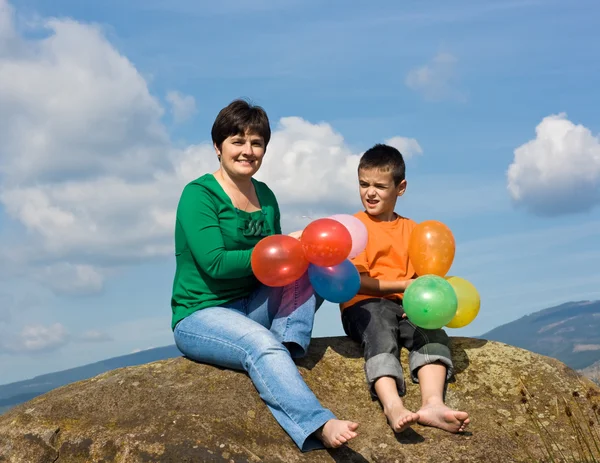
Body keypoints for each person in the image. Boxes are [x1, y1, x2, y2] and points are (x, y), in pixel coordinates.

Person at [171, 99, 359, 451]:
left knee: (310, 264)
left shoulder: (267, 196)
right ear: (217, 147)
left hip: (254, 304)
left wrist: (299, 249)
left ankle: (287, 345)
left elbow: (281, 268)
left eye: (256, 143)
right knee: (260, 345)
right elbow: (216, 263)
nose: (247, 151)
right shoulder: (198, 195)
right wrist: (286, 246)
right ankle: (318, 422)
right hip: (202, 313)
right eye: (237, 142)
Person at [339, 143, 470, 435]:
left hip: (406, 304)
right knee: (380, 332)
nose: (369, 192)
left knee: (431, 332)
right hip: (364, 304)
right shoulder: (355, 227)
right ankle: (392, 404)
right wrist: (404, 285)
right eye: (363, 184)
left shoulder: (414, 231)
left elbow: (426, 277)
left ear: (401, 188)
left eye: (379, 186)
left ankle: (433, 403)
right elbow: (357, 282)